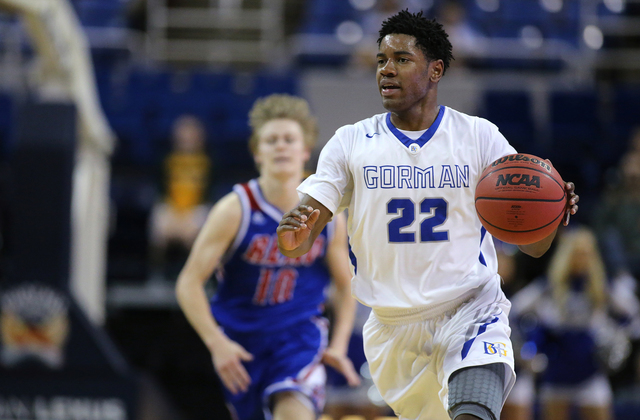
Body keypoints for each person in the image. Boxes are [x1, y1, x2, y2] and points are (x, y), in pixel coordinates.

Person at [276, 10, 578, 420]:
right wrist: (294, 234)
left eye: (402, 59)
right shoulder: (349, 143)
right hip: (393, 328)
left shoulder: (479, 136)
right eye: (382, 60)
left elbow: (535, 246)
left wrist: (552, 214)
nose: (386, 70)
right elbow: (302, 234)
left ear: (435, 70)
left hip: (470, 309)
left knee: (473, 413)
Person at [175, 94, 360, 420]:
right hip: (242, 345)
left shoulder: (326, 213)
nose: (280, 146)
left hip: (298, 341)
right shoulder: (235, 209)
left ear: (305, 151)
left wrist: (339, 344)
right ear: (258, 152)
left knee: (292, 412)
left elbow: (346, 288)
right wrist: (216, 343)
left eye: (289, 139)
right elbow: (188, 283)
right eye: (271, 140)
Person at [509, 226, 638, 420]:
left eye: (586, 253)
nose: (582, 259)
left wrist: (615, 338)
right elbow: (513, 312)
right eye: (577, 253)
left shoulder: (603, 286)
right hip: (557, 371)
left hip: (590, 370)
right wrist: (528, 349)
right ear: (566, 255)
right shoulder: (549, 287)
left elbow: (632, 315)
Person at [148, 114, 212, 279]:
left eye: (190, 136)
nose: (186, 139)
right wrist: (176, 215)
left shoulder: (208, 161)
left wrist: (188, 217)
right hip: (172, 208)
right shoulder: (167, 160)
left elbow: (210, 195)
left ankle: (198, 277)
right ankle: (157, 275)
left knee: (200, 227)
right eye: (183, 135)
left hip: (197, 209)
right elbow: (160, 191)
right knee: (159, 222)